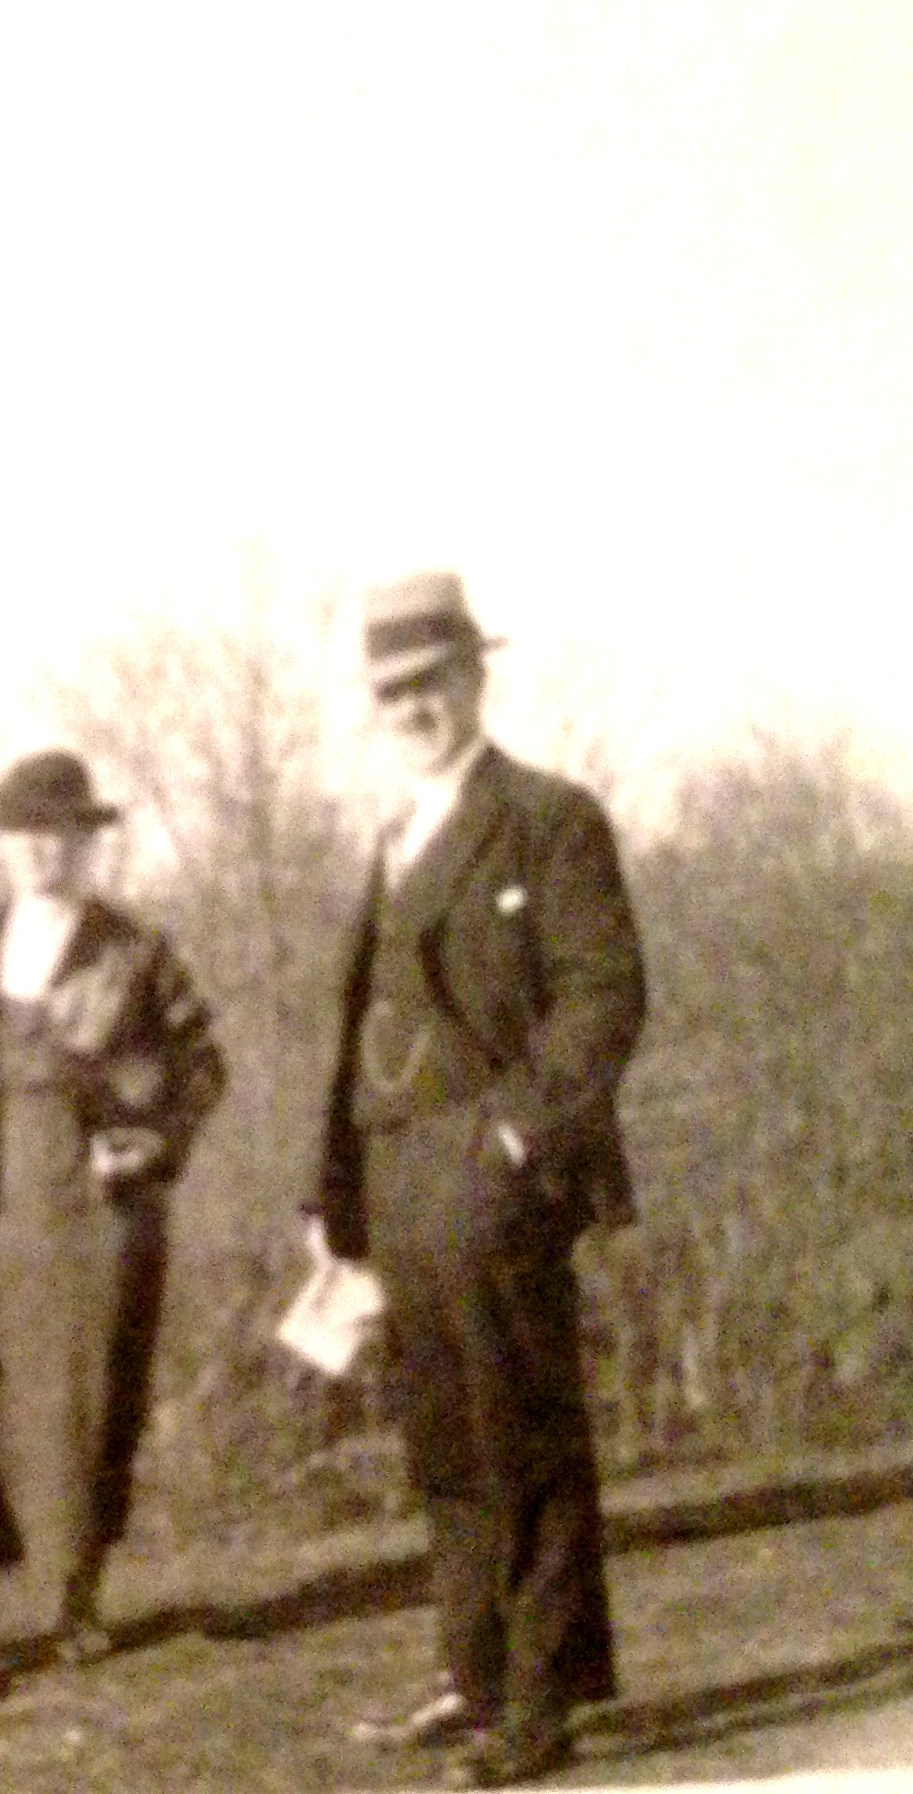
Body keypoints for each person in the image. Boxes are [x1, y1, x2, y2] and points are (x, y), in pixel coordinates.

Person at [310, 571, 646, 1789]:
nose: (412, 709)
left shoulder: (547, 819)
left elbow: (604, 996)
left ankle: (541, 1700)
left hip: (492, 1172)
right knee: (444, 1444)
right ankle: (475, 1675)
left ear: (473, 677)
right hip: (395, 1175)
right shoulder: (391, 834)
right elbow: (355, 1026)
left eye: (431, 683)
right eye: (389, 691)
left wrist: (512, 1139)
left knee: (523, 1433)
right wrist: (328, 1198)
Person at [0, 749, 226, 1663]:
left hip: (97, 1213)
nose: (40, 851)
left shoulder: (136, 951)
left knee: (85, 1400)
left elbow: (203, 1067)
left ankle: (73, 1600)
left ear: (86, 842)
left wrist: (150, 1139)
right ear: (1, 845)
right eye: (23, 835)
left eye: (58, 834)